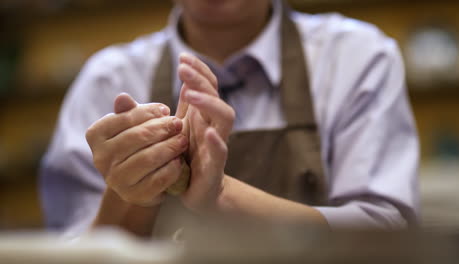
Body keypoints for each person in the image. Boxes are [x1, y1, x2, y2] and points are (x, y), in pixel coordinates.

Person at [40, 0, 419, 238]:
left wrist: (220, 194)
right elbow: (73, 249)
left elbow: (384, 235)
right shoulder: (107, 79)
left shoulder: (356, 59)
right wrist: (135, 191)